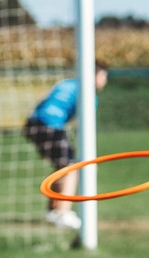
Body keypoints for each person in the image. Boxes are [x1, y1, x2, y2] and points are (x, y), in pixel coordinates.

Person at [24, 62, 109, 230]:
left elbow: (43, 98)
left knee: (61, 167)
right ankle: (62, 213)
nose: (104, 81)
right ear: (95, 75)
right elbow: (84, 128)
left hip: (32, 124)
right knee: (72, 167)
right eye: (104, 76)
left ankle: (52, 211)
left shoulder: (67, 83)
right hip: (51, 125)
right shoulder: (88, 94)